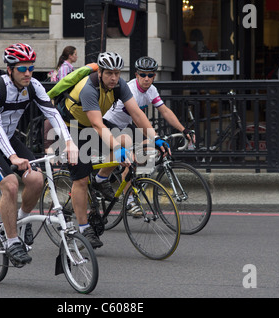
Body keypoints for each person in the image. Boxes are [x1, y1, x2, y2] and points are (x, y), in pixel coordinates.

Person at [0, 43, 78, 266]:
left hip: (9, 139)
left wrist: (68, 141)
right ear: (9, 69)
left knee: (37, 180)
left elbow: (52, 113)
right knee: (10, 185)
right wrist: (12, 158)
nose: (28, 72)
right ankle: (11, 241)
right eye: (22, 68)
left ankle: (21, 220)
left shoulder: (34, 85)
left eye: (31, 67)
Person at [56, 52, 169, 248]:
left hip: (91, 127)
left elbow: (136, 114)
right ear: (100, 72)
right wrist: (117, 150)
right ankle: (84, 229)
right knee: (81, 179)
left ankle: (100, 180)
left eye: (117, 73)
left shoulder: (120, 85)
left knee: (127, 140)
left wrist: (156, 138)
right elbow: (98, 125)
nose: (114, 78)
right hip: (71, 128)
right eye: (109, 73)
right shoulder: (89, 88)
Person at [103, 56, 195, 215]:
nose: (146, 78)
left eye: (150, 75)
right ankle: (129, 200)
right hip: (108, 124)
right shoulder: (130, 89)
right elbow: (137, 116)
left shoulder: (152, 90)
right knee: (131, 152)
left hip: (125, 125)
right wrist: (154, 136)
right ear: (136, 75)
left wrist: (184, 130)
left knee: (148, 148)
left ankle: (121, 175)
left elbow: (164, 111)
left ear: (154, 76)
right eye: (143, 75)